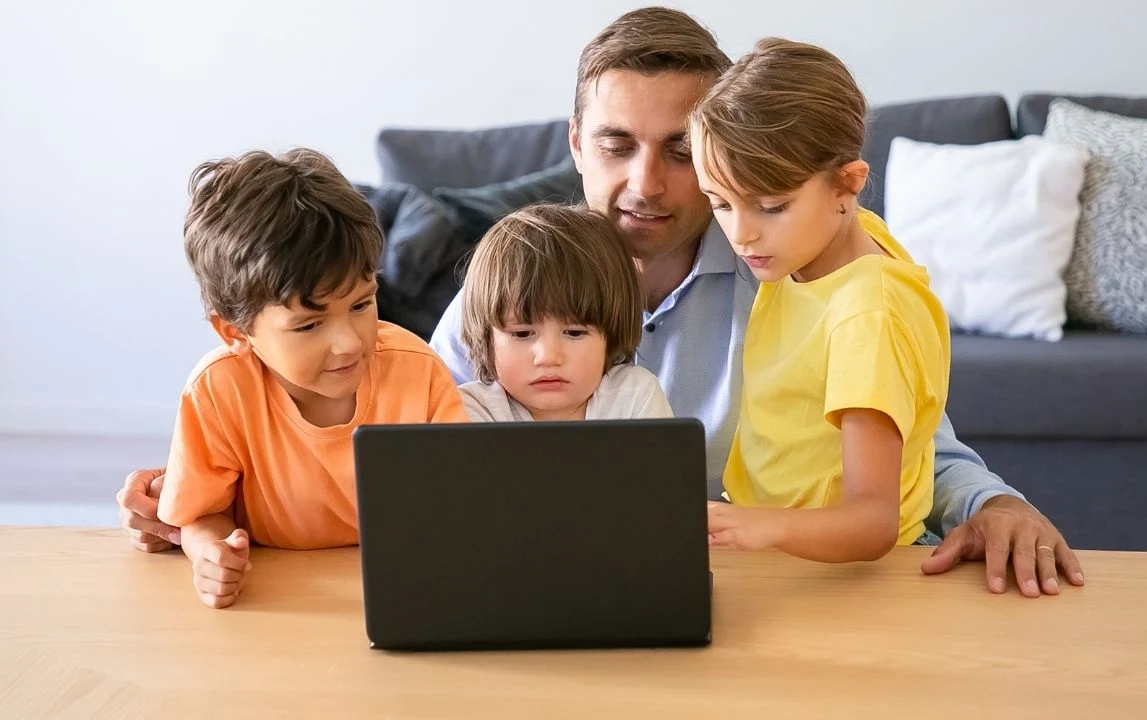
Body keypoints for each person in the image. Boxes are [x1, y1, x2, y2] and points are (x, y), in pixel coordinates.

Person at [120, 7, 1083, 598]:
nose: (647, 185)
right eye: (618, 144)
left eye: (679, 152)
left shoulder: (789, 270)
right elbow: (394, 436)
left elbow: (912, 440)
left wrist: (996, 502)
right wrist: (203, 500)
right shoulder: (513, 279)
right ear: (575, 144)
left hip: (752, 595)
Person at [156, 148, 467, 608]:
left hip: (399, 593)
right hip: (283, 601)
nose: (348, 343)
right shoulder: (218, 391)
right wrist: (211, 554)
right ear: (235, 331)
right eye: (308, 325)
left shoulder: (417, 371)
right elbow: (203, 514)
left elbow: (462, 506)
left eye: (361, 304)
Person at [689, 37, 949, 563]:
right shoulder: (824, 245)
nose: (742, 235)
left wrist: (760, 526)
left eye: (771, 206)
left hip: (849, 571)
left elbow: (873, 521)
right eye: (719, 202)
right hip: (787, 552)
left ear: (847, 185)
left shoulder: (866, 316)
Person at [457, 203, 672, 421]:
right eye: (522, 334)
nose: (549, 357)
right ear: (486, 339)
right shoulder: (472, 409)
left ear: (611, 336)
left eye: (574, 333)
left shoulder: (633, 395)